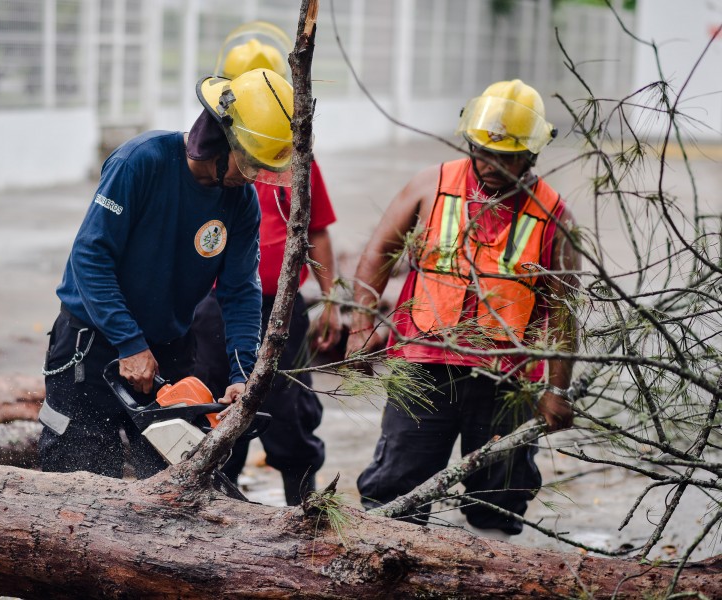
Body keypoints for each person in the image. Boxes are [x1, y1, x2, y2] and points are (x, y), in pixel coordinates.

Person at [345, 80, 580, 535]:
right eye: (482, 152)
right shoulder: (431, 184)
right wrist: (360, 327)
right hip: (424, 364)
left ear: (531, 155)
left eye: (506, 157)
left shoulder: (554, 214)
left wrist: (558, 389)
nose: (490, 166)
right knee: (396, 484)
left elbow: (564, 312)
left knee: (501, 493)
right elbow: (378, 252)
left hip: (506, 377)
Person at [38, 67, 296, 479]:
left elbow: (241, 290)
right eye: (248, 163)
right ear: (218, 141)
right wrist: (129, 342)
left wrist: (242, 373)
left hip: (169, 348)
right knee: (80, 477)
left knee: (171, 479)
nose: (252, 177)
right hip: (93, 344)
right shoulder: (140, 162)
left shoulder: (240, 202)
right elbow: (91, 257)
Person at [191, 21, 341, 505]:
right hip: (213, 308)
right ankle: (222, 505)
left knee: (288, 407)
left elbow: (316, 228)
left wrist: (333, 301)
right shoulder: (205, 157)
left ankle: (303, 504)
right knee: (218, 405)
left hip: (282, 308)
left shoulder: (294, 156)